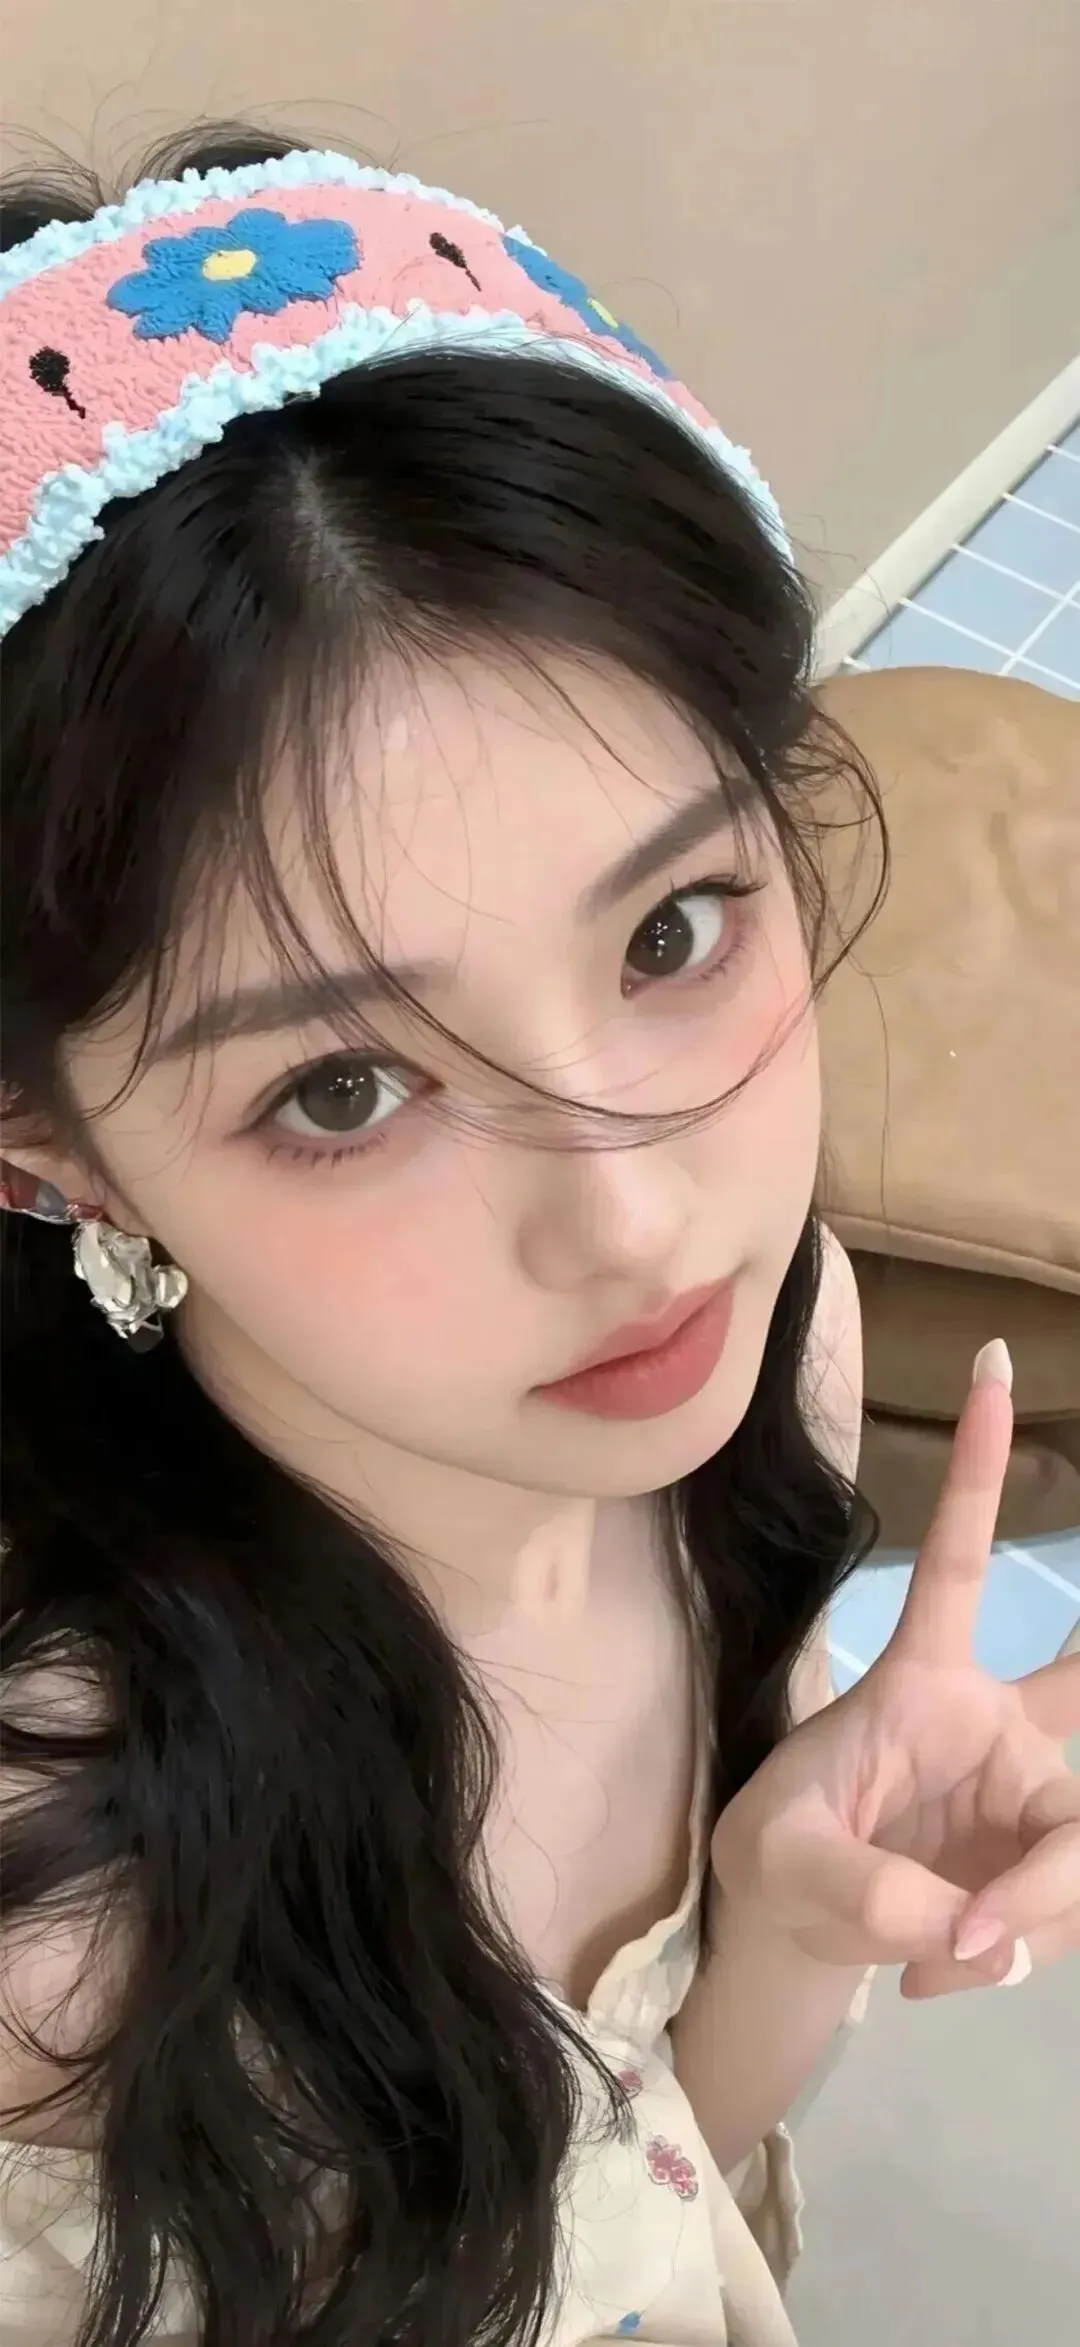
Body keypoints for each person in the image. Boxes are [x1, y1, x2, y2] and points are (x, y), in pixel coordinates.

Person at [1, 125, 1077, 2347]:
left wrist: (784, 1912)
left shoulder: (776, 1353)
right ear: (55, 1154)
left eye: (675, 927)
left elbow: (663, 2183)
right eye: (340, 1087)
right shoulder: (63, 1909)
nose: (642, 1217)